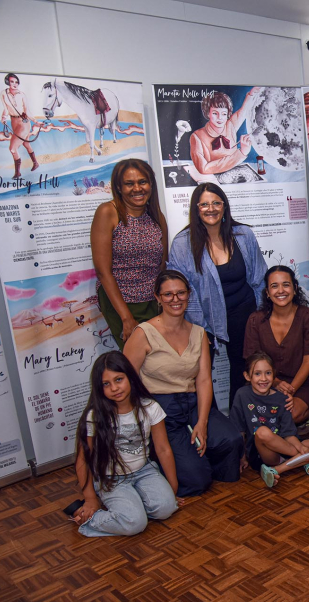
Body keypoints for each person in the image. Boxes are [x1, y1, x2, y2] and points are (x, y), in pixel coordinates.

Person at [123, 270, 244, 497]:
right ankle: (178, 464)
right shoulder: (143, 333)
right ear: (157, 297)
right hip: (161, 408)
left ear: (189, 295)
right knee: (197, 481)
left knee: (232, 441)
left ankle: (194, 458)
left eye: (181, 293)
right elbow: (127, 380)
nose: (175, 299)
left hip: (192, 402)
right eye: (168, 294)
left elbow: (204, 380)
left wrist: (202, 422)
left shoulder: (198, 333)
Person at [168, 183, 266, 405]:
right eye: (204, 204)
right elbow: (182, 291)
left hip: (244, 313)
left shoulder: (243, 235)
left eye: (216, 203)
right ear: (196, 208)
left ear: (224, 207)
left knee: (243, 371)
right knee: (200, 375)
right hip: (202, 320)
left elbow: (260, 278)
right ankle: (210, 425)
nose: (210, 208)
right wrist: (201, 328)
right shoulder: (182, 243)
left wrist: (259, 317)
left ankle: (239, 423)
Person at [69, 351, 181, 537]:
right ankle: (87, 517)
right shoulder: (94, 416)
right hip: (112, 478)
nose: (114, 388)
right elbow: (83, 459)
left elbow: (163, 449)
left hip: (144, 471)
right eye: (106, 384)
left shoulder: (149, 407)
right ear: (99, 388)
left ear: (130, 377)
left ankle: (131, 507)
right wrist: (89, 498)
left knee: (166, 508)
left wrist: (172, 488)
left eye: (119, 379)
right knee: (134, 524)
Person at [91, 159, 169, 348]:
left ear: (151, 184)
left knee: (159, 359)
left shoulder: (156, 216)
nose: (137, 188)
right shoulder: (108, 212)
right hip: (121, 302)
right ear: (118, 187)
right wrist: (126, 317)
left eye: (142, 182)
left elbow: (162, 263)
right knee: (137, 360)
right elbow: (103, 271)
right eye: (129, 183)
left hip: (153, 302)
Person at [231, 352, 309, 488]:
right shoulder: (242, 395)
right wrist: (242, 457)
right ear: (247, 376)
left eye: (268, 373)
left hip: (286, 443)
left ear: (274, 375)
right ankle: (304, 458)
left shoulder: (282, 398)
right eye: (257, 374)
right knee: (262, 432)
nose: (263, 378)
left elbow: (288, 433)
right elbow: (239, 429)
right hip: (263, 452)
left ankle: (278, 470)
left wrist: (300, 446)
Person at [243, 266, 309, 429]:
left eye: (286, 285)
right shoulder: (255, 320)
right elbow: (252, 361)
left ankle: (305, 415)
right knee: (263, 414)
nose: (281, 290)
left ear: (294, 288)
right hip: (267, 381)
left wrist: (290, 390)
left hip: (305, 381)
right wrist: (275, 382)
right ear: (267, 292)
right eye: (274, 286)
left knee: (291, 413)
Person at [189, 88, 262, 179]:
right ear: (208, 113)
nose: (220, 118)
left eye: (224, 114)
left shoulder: (230, 125)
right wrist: (241, 153)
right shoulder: (197, 137)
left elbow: (243, 112)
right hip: (211, 181)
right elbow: (204, 168)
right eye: (215, 113)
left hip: (234, 177)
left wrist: (251, 95)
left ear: (228, 114)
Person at [0, 73, 39, 179]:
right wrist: (4, 117)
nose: (14, 84)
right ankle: (35, 163)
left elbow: (28, 111)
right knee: (26, 143)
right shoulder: (4, 93)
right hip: (13, 122)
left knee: (12, 148)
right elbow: (6, 108)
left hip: (23, 122)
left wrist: (36, 121)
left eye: (16, 82)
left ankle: (18, 172)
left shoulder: (22, 95)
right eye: (12, 81)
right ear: (7, 82)